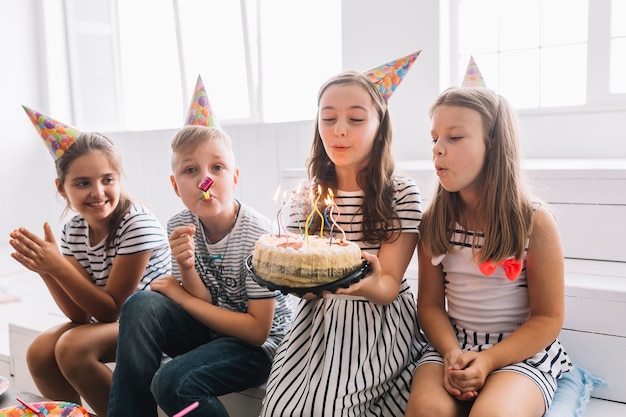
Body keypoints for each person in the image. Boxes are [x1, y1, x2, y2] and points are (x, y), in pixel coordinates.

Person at [260, 52, 425, 417]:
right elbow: (297, 269)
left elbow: (387, 287)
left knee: (325, 409)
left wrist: (355, 283)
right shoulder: (309, 196)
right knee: (280, 408)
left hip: (375, 325)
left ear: (380, 126)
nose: (339, 130)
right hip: (314, 324)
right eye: (328, 118)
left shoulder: (400, 193)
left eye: (355, 119)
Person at [404, 87, 572, 417]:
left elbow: (548, 317)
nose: (437, 149)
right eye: (435, 138)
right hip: (453, 345)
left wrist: (490, 359)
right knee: (426, 409)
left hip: (518, 351)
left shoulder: (534, 223)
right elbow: (429, 305)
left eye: (454, 138)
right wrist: (452, 352)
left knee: (493, 414)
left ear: (492, 145)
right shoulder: (435, 221)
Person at [107, 125, 293, 417]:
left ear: (234, 177)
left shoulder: (259, 236)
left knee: (173, 383)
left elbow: (257, 332)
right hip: (211, 330)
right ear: (175, 184)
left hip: (260, 348)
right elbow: (202, 304)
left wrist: (180, 297)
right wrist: (186, 266)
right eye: (190, 170)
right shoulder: (179, 225)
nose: (205, 179)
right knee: (140, 304)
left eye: (217, 167)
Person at [10, 108, 172, 417]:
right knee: (40, 352)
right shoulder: (74, 229)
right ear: (62, 188)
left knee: (72, 348)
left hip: (155, 327)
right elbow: (80, 314)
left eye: (107, 180)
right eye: (83, 183)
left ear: (119, 179)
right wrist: (48, 271)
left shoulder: (137, 224)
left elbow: (111, 309)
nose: (97, 192)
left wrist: (57, 266)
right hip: (115, 324)